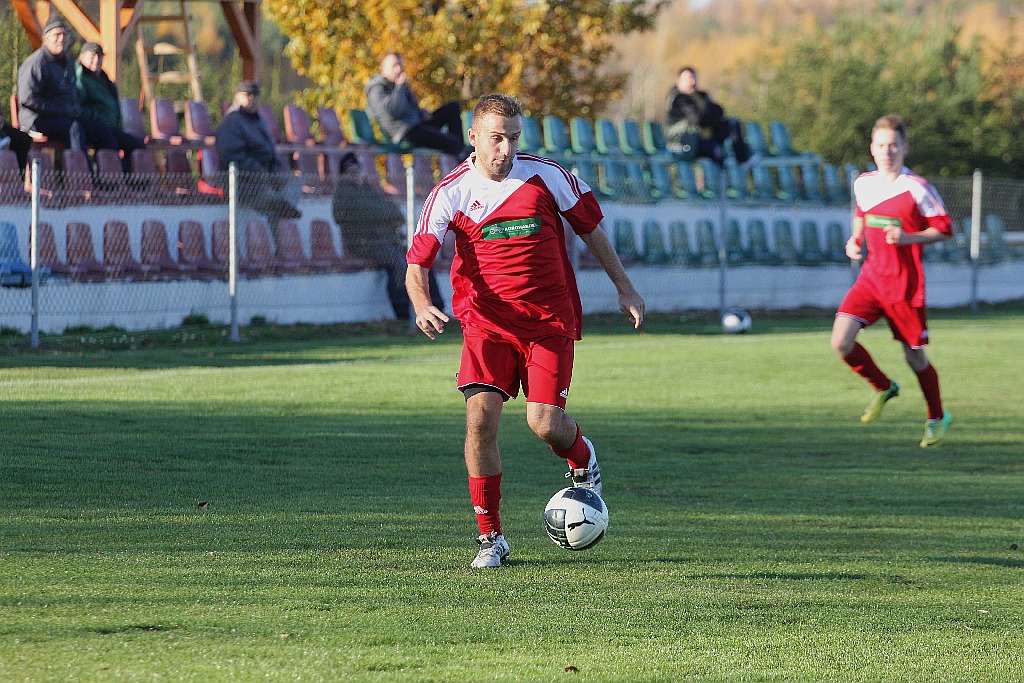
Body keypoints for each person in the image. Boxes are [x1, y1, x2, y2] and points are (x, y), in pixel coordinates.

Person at [406, 93, 646, 568]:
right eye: (496, 138)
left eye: (513, 138)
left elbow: (592, 231)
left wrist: (626, 289)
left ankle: (583, 459)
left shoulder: (547, 175)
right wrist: (421, 302)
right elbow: (417, 263)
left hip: (548, 320)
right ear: (473, 137)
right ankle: (490, 538)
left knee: (545, 424)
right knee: (479, 421)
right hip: (486, 324)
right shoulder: (450, 192)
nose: (506, 148)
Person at [831, 114, 953, 448]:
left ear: (904, 148)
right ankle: (884, 387)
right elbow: (861, 213)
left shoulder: (918, 188)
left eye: (893, 145)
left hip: (905, 286)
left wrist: (908, 237)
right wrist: (854, 240)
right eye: (881, 145)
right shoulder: (863, 183)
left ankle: (937, 417)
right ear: (872, 148)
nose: (887, 151)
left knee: (915, 358)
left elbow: (945, 229)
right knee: (841, 341)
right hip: (871, 280)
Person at [331, 155, 445, 319]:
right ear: (343, 174)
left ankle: (436, 308)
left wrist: (376, 213)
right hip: (364, 244)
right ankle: (403, 313)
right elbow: (369, 212)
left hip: (387, 241)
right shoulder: (343, 192)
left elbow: (395, 213)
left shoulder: (368, 189)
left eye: (357, 170)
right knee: (397, 262)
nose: (355, 174)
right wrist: (379, 213)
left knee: (423, 259)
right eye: (350, 171)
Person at [17, 16, 119, 156]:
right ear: (46, 38)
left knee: (102, 131)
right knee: (74, 129)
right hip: (36, 119)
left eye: (64, 34)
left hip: (64, 117)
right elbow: (27, 99)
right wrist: (60, 110)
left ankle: (113, 176)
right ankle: (79, 176)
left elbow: (73, 95)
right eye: (57, 34)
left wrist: (73, 109)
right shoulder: (36, 64)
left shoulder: (68, 63)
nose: (62, 38)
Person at [215, 81, 300, 232]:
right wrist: (260, 172)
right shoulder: (231, 121)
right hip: (243, 181)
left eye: (255, 96)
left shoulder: (258, 120)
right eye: (247, 96)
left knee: (294, 182)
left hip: (266, 177)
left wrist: (274, 171)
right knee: (268, 196)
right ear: (237, 97)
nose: (252, 100)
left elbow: (270, 151)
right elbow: (232, 155)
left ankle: (281, 213)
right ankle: (280, 211)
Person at [365, 52, 472, 159]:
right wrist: (400, 87)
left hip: (417, 124)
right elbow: (394, 111)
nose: (398, 69)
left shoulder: (397, 85)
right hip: (405, 133)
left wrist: (421, 113)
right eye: (394, 65)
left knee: (452, 107)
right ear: (382, 69)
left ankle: (460, 150)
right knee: (452, 143)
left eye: (400, 65)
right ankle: (460, 157)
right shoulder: (377, 89)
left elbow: (411, 108)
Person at [74, 42, 145, 172]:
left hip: (111, 127)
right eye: (92, 56)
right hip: (96, 127)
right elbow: (78, 107)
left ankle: (135, 184)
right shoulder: (80, 78)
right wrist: (97, 116)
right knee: (111, 151)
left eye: (99, 57)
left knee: (137, 146)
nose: (96, 60)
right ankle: (112, 184)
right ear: (81, 57)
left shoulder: (102, 78)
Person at [665, 66, 754, 167]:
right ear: (679, 81)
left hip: (705, 136)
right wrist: (708, 114)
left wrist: (707, 114)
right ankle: (721, 180)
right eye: (688, 79)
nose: (692, 82)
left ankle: (743, 161)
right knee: (716, 150)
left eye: (693, 78)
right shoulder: (678, 99)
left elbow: (719, 111)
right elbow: (697, 119)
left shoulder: (701, 96)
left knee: (732, 123)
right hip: (685, 141)